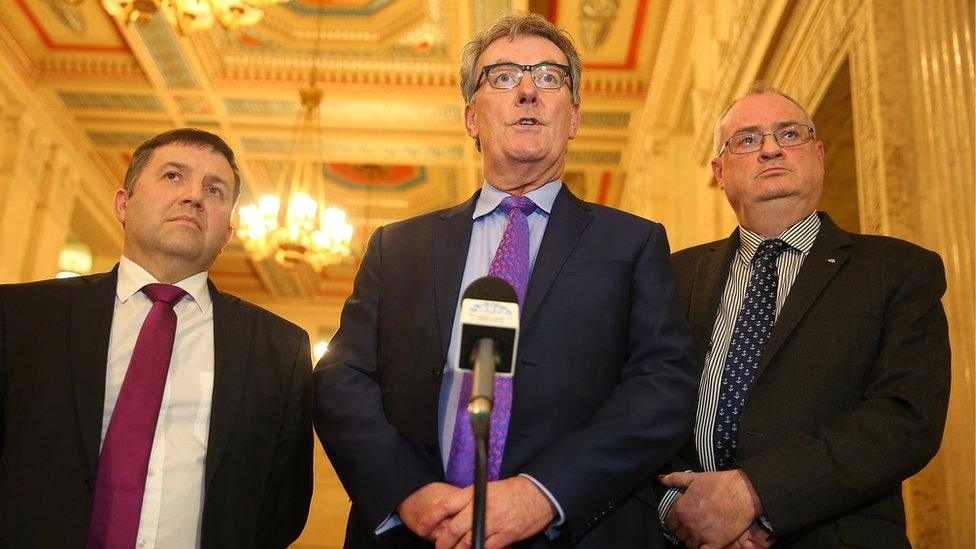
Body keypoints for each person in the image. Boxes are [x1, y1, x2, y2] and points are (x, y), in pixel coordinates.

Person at [313, 13, 697, 549]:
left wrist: (545, 493)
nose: (526, 91)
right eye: (502, 77)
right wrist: (409, 491)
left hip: (577, 529)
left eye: (549, 77)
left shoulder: (632, 243)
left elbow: (663, 386)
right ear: (472, 117)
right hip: (418, 529)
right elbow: (342, 378)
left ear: (574, 116)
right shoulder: (397, 246)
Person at [653, 83, 951, 548]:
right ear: (720, 171)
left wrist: (756, 494)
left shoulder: (899, 270)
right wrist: (679, 508)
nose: (771, 149)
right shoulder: (671, 275)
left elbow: (906, 418)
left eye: (788, 134)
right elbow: (641, 405)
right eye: (747, 140)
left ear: (819, 154)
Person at [0, 128, 313, 547]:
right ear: (123, 204)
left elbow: (281, 507)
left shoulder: (280, 350)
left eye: (215, 190)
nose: (195, 196)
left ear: (227, 234)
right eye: (172, 176)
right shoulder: (21, 317)